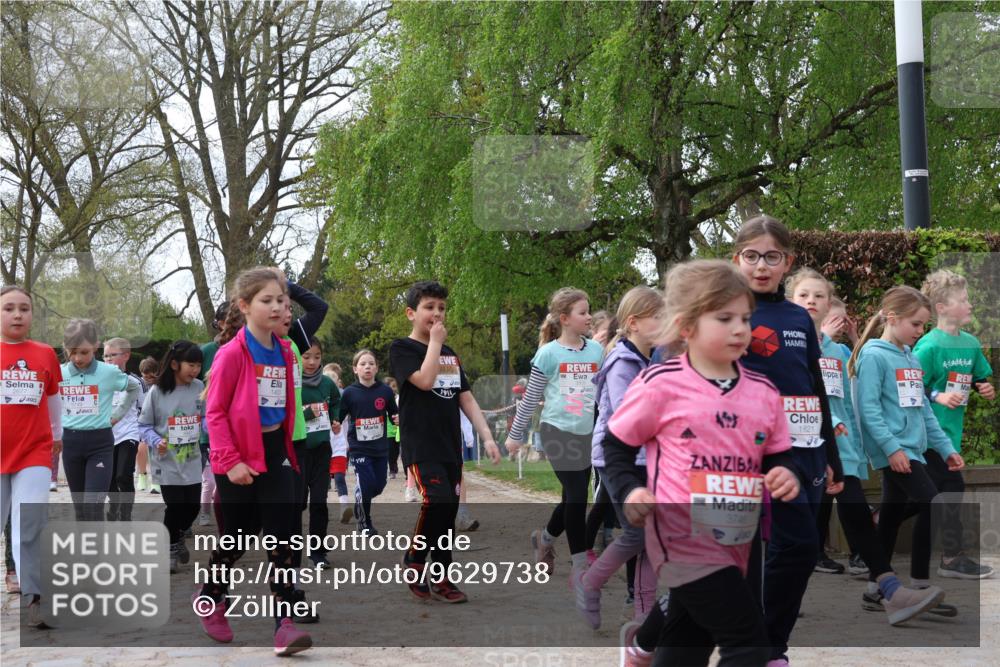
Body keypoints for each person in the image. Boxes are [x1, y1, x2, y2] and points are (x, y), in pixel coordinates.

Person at [606, 260, 799, 667]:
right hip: (680, 535)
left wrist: (784, 471)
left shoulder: (763, 392)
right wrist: (630, 489)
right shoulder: (660, 384)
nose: (740, 328)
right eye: (724, 317)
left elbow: (778, 453)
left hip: (740, 535)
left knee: (686, 642)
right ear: (686, 326)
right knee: (748, 645)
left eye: (746, 317)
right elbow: (616, 447)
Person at [789, 269, 945, 625]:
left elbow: (850, 404)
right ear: (791, 302)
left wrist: (859, 449)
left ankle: (887, 590)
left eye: (819, 296)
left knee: (857, 515)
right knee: (795, 530)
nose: (811, 301)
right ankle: (774, 595)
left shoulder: (843, 351)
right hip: (796, 448)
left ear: (830, 304)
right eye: (803, 296)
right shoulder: (787, 344)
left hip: (841, 448)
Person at [731, 216, 842, 667]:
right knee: (727, 558)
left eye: (772, 257)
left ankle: (772, 645)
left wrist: (829, 453)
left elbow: (813, 384)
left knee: (799, 547)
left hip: (799, 451)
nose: (761, 266)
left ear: (787, 262)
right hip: (738, 448)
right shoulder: (722, 308)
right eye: (751, 256)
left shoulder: (799, 316)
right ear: (735, 259)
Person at [194, 267, 312, 655]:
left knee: (283, 536)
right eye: (267, 300)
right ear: (244, 306)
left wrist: (289, 453)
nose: (278, 307)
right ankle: (211, 596)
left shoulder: (286, 351)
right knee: (238, 538)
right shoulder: (231, 355)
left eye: (282, 300)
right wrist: (229, 462)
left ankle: (284, 626)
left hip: (276, 452)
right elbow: (215, 413)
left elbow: (282, 407)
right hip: (238, 459)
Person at [849, 286, 965, 617]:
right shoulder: (873, 356)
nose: (920, 332)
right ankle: (917, 586)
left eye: (923, 326)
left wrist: (945, 448)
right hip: (897, 452)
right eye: (915, 324)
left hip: (912, 449)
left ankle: (876, 589)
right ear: (892, 318)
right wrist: (892, 448)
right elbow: (868, 409)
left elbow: (924, 413)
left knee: (890, 518)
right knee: (933, 503)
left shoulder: (910, 359)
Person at [390, 280, 501, 604]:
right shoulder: (402, 349)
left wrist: (488, 437)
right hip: (421, 444)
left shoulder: (450, 355)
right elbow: (424, 381)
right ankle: (413, 559)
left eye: (441, 308)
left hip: (449, 444)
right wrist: (435, 344)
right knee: (436, 500)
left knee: (448, 510)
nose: (436, 314)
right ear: (411, 313)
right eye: (429, 307)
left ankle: (442, 576)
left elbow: (466, 399)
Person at [504, 287, 604, 590]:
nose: (589, 317)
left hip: (587, 432)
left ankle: (544, 539)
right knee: (576, 494)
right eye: (583, 312)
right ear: (565, 319)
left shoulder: (597, 351)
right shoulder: (548, 354)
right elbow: (532, 397)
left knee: (572, 498)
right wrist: (515, 435)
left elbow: (604, 394)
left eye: (588, 311)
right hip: (556, 431)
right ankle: (579, 567)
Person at [577, 286, 663, 630]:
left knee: (650, 536)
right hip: (617, 459)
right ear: (634, 323)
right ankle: (591, 582)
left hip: (650, 458)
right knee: (637, 534)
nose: (666, 323)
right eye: (659, 317)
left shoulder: (653, 358)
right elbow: (631, 413)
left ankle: (643, 614)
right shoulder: (621, 363)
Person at [913, 269, 995, 579]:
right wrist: (937, 395)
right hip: (928, 435)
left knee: (930, 495)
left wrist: (984, 387)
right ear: (941, 307)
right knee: (951, 489)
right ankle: (951, 558)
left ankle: (880, 518)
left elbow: (980, 377)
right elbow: (909, 387)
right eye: (963, 300)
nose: (970, 305)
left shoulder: (971, 343)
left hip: (952, 433)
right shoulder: (928, 347)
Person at [1, 285, 63, 627]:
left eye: (24, 308)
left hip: (33, 452)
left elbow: (54, 399)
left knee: (29, 525)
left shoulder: (44, 354)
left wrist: (59, 435)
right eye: (9, 308)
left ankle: (36, 598)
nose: (17, 314)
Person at [59, 319, 142, 521]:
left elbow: (134, 388)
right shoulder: (59, 372)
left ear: (96, 346)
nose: (78, 358)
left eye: (84, 352)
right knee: (80, 509)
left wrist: (117, 416)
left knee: (93, 506)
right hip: (71, 443)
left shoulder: (109, 372)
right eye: (73, 351)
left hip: (100, 444)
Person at [138, 341, 204, 573]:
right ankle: (171, 547)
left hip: (193, 459)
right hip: (166, 462)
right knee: (175, 506)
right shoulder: (157, 391)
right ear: (175, 364)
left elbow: (206, 417)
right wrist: (157, 441)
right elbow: (143, 426)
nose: (195, 370)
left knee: (193, 507)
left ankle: (176, 534)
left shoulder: (199, 387)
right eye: (191, 364)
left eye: (198, 365)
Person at [339, 349, 398, 534]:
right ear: (355, 369)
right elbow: (338, 418)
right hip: (359, 448)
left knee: (378, 485)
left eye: (371, 364)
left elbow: (393, 414)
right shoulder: (349, 393)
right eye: (363, 364)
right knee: (365, 484)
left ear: (377, 368)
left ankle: (361, 499)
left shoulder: (385, 391)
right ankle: (364, 523)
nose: (367, 367)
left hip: (380, 448)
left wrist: (396, 419)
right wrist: (334, 424)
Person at [300, 337, 341, 568]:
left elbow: (336, 401)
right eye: (306, 357)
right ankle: (289, 549)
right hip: (297, 450)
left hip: (322, 450)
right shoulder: (292, 381)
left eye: (317, 357)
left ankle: (317, 552)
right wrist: (310, 415)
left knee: (319, 502)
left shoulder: (327, 383)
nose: (312, 361)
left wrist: (335, 418)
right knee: (296, 503)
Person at [103, 337, 145, 521]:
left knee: (123, 475)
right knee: (109, 478)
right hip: (105, 436)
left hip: (129, 433)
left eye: (113, 355)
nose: (108, 359)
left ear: (126, 356)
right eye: (105, 356)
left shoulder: (135, 382)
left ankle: (126, 515)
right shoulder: (100, 381)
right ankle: (114, 505)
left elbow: (143, 409)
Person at [196, 302, 230, 527]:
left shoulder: (259, 347)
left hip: (246, 425)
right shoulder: (206, 351)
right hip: (213, 425)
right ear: (219, 324)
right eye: (229, 320)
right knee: (216, 478)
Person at [136, 356, 160, 493]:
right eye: (145, 376)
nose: (148, 379)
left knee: (157, 450)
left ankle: (157, 480)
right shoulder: (139, 384)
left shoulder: (161, 383)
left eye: (151, 376)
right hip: (142, 421)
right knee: (142, 448)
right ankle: (142, 476)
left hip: (158, 421)